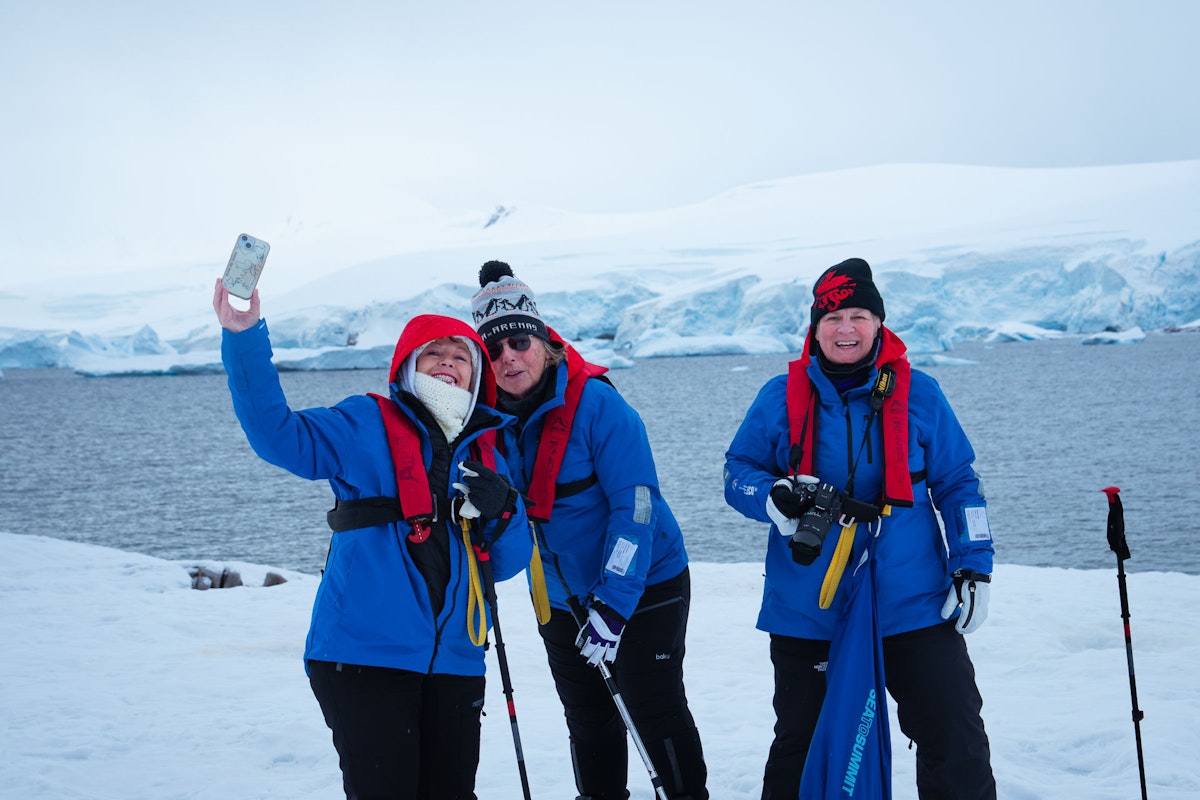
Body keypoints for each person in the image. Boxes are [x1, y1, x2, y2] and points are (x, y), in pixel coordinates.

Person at [213, 278, 532, 800]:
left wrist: (507, 508)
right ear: (408, 364)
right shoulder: (364, 422)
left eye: (462, 356)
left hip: (456, 660)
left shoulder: (489, 451)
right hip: (365, 656)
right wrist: (244, 338)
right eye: (434, 353)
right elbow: (278, 436)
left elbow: (508, 562)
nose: (449, 362)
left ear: (477, 376)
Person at [723, 258, 997, 800]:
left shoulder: (922, 395)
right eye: (832, 317)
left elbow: (959, 483)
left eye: (858, 315)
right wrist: (770, 499)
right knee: (801, 745)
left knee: (954, 738)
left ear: (878, 323)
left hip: (914, 603)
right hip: (809, 607)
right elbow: (738, 473)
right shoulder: (779, 397)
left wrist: (973, 563)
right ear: (814, 328)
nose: (845, 328)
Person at [469, 261, 709, 800]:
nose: (509, 357)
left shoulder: (598, 405)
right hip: (556, 596)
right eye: (494, 349)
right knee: (589, 717)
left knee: (652, 707)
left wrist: (615, 602)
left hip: (646, 584)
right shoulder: (481, 421)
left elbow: (637, 505)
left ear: (544, 340)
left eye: (519, 342)